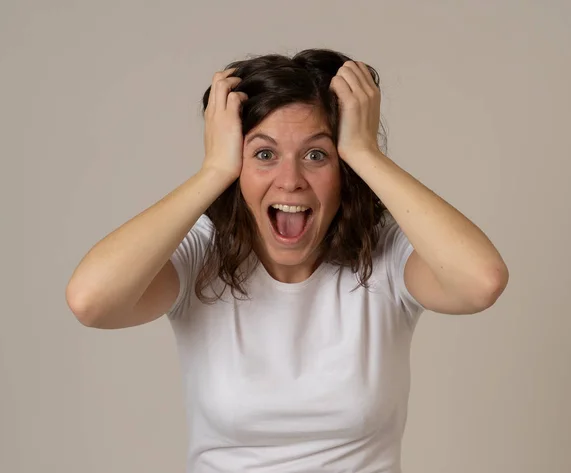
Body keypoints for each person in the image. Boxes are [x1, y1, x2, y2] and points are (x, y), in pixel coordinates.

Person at [66, 48, 509, 472]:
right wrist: (213, 171)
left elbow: (480, 282)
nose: (290, 180)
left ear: (343, 171)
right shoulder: (203, 252)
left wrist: (365, 152)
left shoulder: (386, 255)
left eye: (317, 155)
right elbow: (91, 301)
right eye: (264, 154)